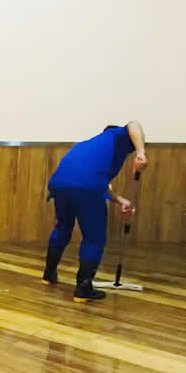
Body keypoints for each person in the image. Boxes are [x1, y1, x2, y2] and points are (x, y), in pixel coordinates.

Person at [43, 122, 148, 302]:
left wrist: (120, 200)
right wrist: (141, 153)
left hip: (59, 184)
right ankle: (83, 289)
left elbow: (95, 183)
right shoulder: (115, 135)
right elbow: (133, 125)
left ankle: (48, 274)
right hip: (86, 186)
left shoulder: (91, 147)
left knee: (62, 229)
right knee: (94, 237)